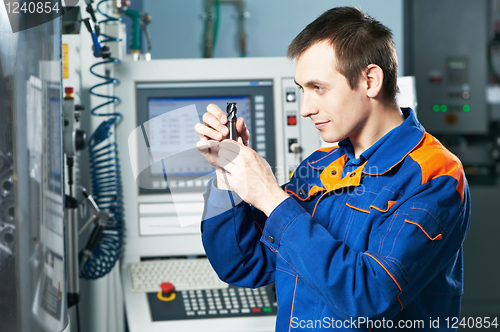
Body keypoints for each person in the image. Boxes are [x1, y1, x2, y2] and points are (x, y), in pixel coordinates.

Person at [195, 6, 470, 331]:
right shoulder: (319, 166)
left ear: (370, 80)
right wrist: (230, 176)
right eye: (302, 90)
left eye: (318, 88)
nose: (306, 108)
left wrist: (271, 197)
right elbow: (244, 265)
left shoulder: (435, 176)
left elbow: (368, 297)